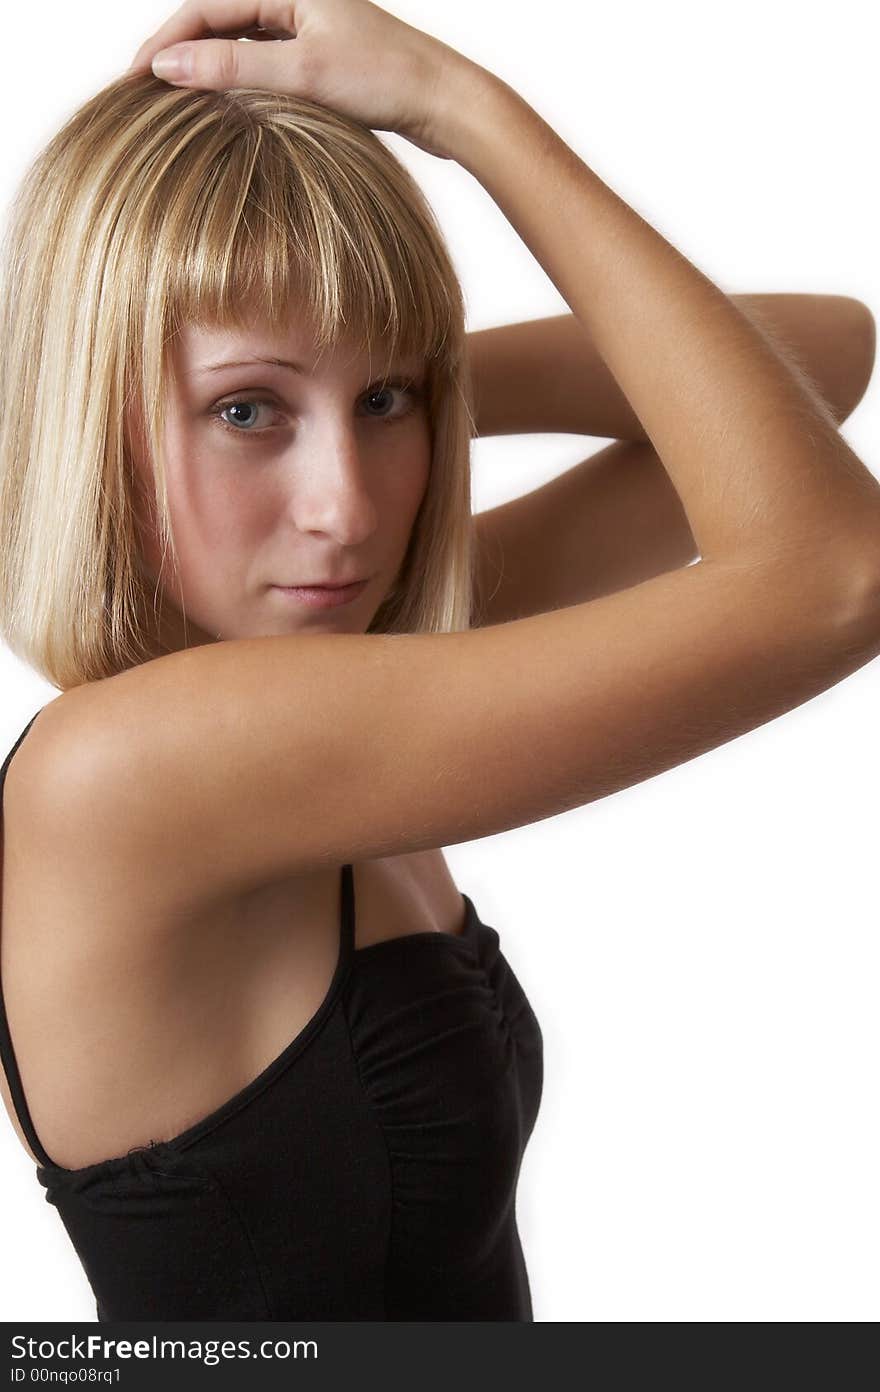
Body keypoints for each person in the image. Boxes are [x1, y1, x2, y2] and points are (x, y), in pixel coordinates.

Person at [1, 0, 879, 1322]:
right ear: (90, 414)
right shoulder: (133, 772)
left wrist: (385, 363)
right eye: (247, 412)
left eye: (384, 410)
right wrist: (461, 109)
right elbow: (836, 573)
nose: (345, 510)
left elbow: (824, 354)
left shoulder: (351, 647)